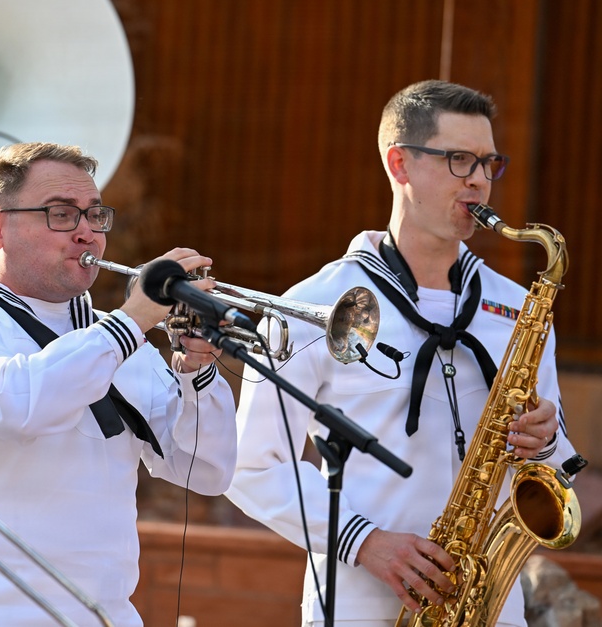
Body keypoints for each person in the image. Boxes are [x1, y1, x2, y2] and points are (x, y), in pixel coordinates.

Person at [226, 80, 578, 627]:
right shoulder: (312, 305)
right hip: (358, 603)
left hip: (490, 606)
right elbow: (248, 465)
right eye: (459, 160)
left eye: (489, 163)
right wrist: (365, 542)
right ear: (400, 165)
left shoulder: (518, 307)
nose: (480, 181)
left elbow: (557, 472)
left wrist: (547, 439)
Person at [0, 142, 238, 626]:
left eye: (94, 215)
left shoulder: (113, 335)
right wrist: (131, 322)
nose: (86, 233)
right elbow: (18, 406)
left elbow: (204, 470)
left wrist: (197, 368)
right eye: (61, 215)